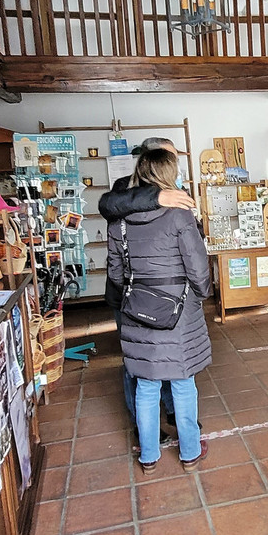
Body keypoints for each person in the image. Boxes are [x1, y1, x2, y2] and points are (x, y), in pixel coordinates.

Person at [107, 148, 212, 474]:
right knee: (182, 384)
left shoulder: (119, 219)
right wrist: (202, 294)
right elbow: (198, 268)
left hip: (136, 309)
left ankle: (149, 456)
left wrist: (131, 296)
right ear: (169, 176)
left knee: (146, 387)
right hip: (178, 310)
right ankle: (190, 452)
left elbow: (114, 270)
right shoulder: (180, 216)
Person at [99, 137, 194, 446]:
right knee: (138, 364)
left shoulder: (179, 193)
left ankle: (170, 415)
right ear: (147, 161)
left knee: (169, 358)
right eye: (167, 160)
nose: (173, 169)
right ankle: (144, 427)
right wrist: (158, 197)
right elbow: (108, 205)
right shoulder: (123, 189)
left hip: (171, 295)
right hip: (131, 295)